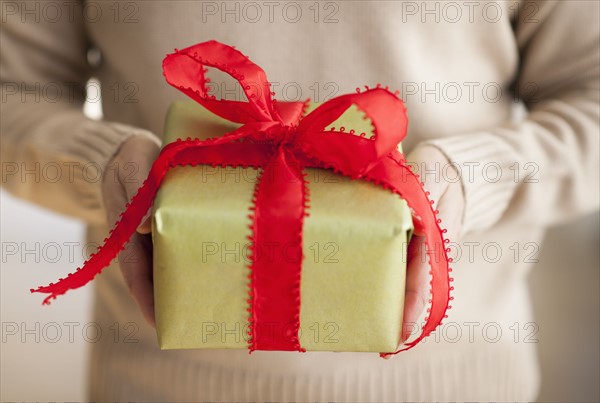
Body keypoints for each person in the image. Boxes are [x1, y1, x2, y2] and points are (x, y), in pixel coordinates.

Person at [1, 1, 598, 401]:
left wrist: (472, 179)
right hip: (158, 383)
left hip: (455, 381)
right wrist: (100, 163)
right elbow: (12, 94)